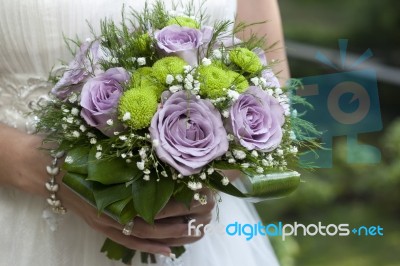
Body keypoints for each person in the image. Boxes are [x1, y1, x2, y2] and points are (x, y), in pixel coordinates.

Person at [0, 0, 288, 265]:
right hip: (24, 221)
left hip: (198, 231)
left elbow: (275, 83)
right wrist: (52, 174)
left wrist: (201, 175)